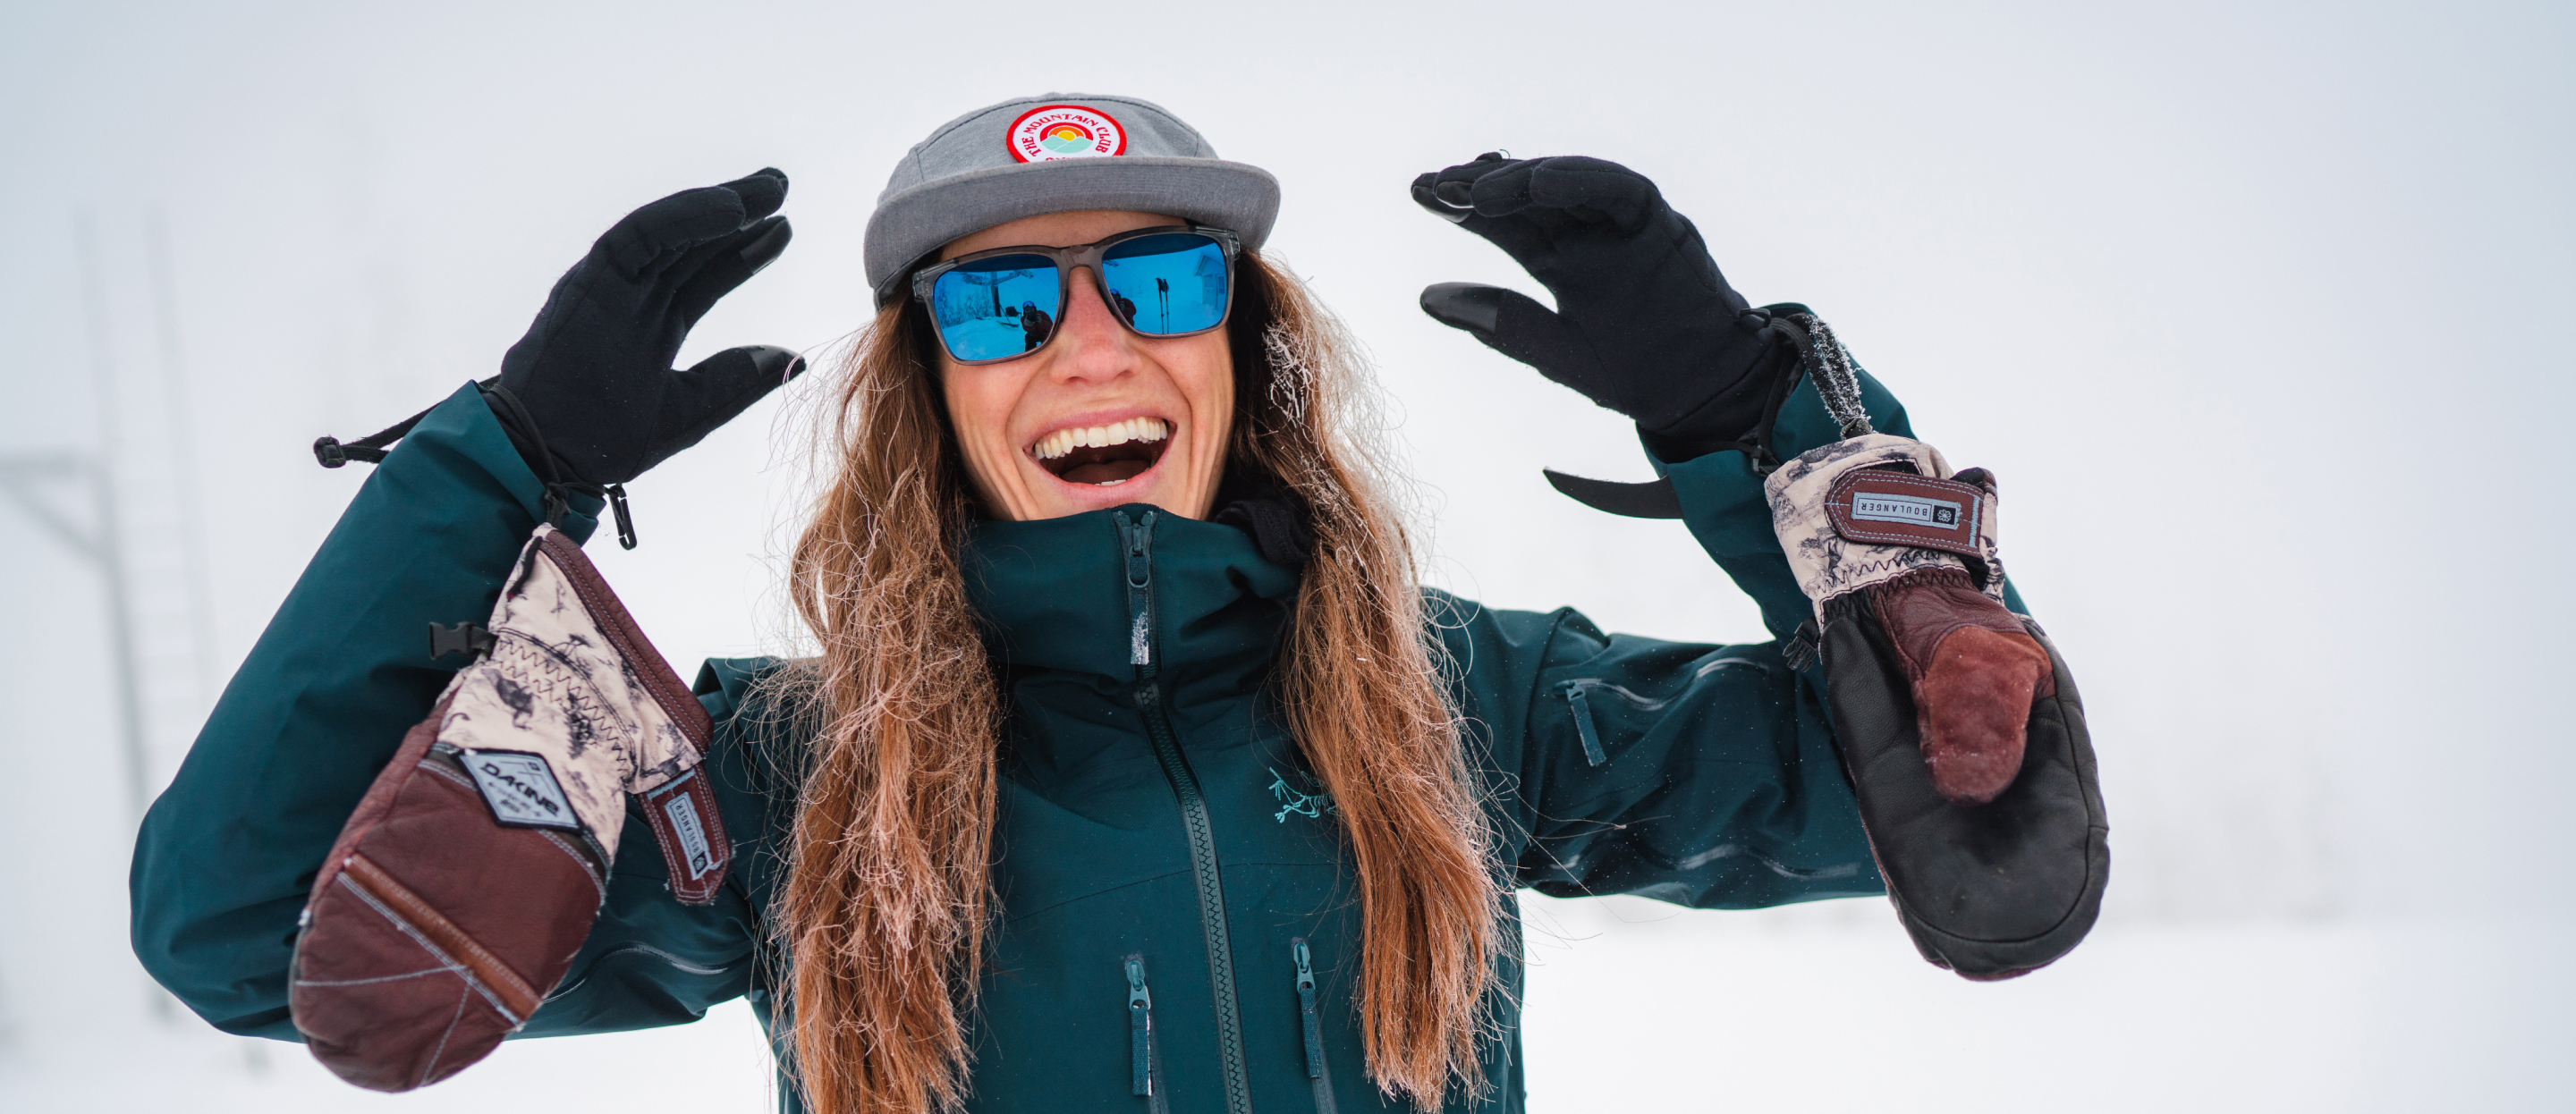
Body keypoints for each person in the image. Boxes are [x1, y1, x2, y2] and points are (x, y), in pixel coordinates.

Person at [131, 94, 2079, 1114]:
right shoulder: (780, 781)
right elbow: (234, 922)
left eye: (1157, 283)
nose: (1083, 339)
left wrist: (1763, 428)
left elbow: (1965, 804)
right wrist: (496, 466)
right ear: (929, 394)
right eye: (993, 300)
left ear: (1242, 347)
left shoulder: (1461, 704)